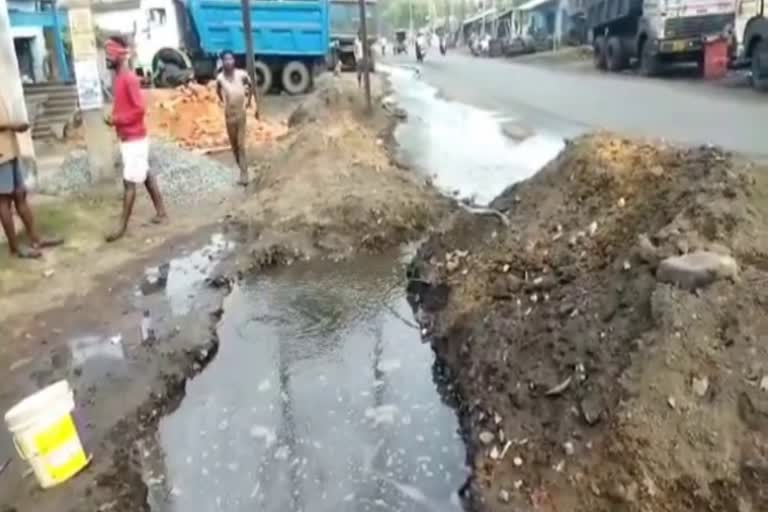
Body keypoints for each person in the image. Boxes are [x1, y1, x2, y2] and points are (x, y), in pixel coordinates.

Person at [104, 36, 167, 243]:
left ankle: (121, 227)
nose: (106, 59)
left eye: (109, 55)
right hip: (128, 136)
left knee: (129, 182)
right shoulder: (119, 78)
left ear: (118, 56)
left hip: (134, 138)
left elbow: (139, 109)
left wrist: (116, 120)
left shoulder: (129, 79)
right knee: (146, 174)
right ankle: (161, 212)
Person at [0, 95, 63, 258]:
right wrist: (12, 125)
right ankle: (15, 249)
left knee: (20, 194)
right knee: (4, 201)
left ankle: (36, 238)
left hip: (11, 150)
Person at [216, 50, 252, 186]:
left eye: (231, 59)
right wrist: (223, 103)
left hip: (241, 114)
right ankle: (242, 168)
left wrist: (248, 102)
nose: (228, 62)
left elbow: (250, 84)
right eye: (226, 59)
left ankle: (244, 175)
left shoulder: (241, 75)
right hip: (229, 117)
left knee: (241, 145)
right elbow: (218, 91)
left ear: (234, 61)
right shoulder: (220, 78)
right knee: (235, 148)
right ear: (222, 62)